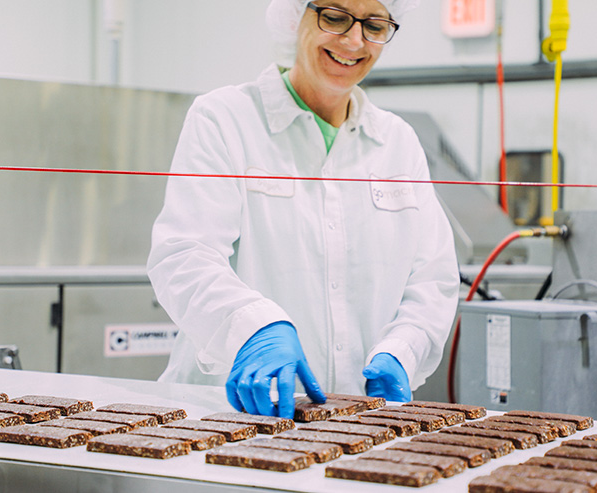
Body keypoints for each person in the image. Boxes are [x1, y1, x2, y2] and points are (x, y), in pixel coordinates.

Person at [147, 0, 460, 419]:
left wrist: (403, 349)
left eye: (375, 24)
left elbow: (433, 278)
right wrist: (255, 328)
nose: (353, 40)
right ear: (296, 16)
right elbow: (183, 256)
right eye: (334, 17)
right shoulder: (225, 118)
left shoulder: (398, 142)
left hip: (356, 423)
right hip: (225, 413)